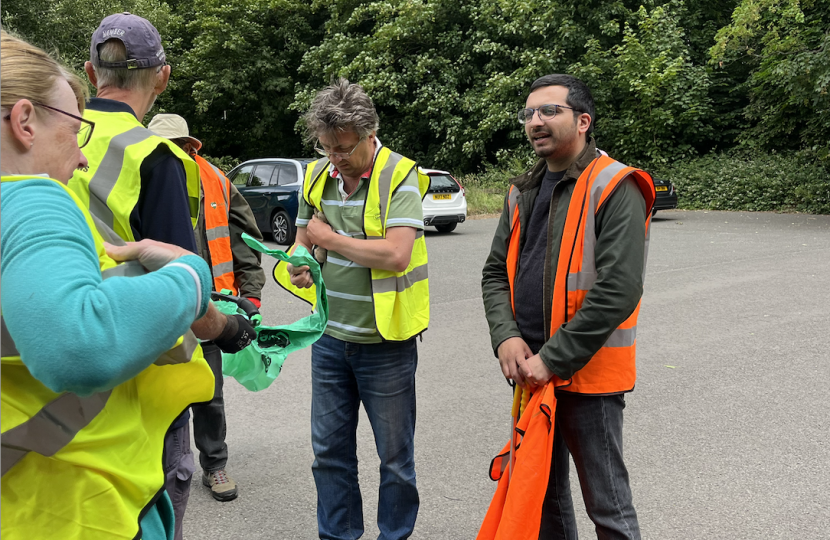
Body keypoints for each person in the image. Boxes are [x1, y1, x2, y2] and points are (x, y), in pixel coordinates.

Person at [0, 31, 215, 540]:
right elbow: (78, 343)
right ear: (24, 122)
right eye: (74, 131)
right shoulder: (31, 200)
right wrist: (191, 275)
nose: (81, 159)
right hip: (81, 507)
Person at [68, 13, 256, 539]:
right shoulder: (155, 155)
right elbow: (182, 287)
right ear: (163, 77)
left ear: (89, 72)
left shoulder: (49, 135)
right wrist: (230, 329)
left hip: (59, 357)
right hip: (140, 374)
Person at [480, 74, 655, 539]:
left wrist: (552, 359)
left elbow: (619, 288)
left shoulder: (616, 185)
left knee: (609, 507)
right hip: (529, 371)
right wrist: (507, 337)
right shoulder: (521, 191)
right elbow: (495, 272)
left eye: (548, 111)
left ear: (582, 121)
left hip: (585, 377)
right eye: (528, 114)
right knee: (544, 502)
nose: (535, 121)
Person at [276, 78, 430, 540]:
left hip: (385, 341)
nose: (335, 158)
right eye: (327, 148)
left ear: (370, 132)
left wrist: (328, 240)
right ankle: (339, 535)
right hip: (329, 338)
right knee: (329, 454)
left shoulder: (398, 175)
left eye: (343, 148)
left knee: (395, 461)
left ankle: (394, 536)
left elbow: (395, 254)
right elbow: (302, 240)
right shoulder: (318, 174)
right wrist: (302, 262)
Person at [148, 112, 266, 502]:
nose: (174, 155)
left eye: (180, 147)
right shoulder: (138, 181)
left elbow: (245, 241)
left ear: (191, 147)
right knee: (159, 390)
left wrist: (250, 296)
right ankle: (156, 472)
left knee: (210, 394)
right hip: (157, 306)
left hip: (210, 308)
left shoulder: (217, 181)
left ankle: (214, 466)